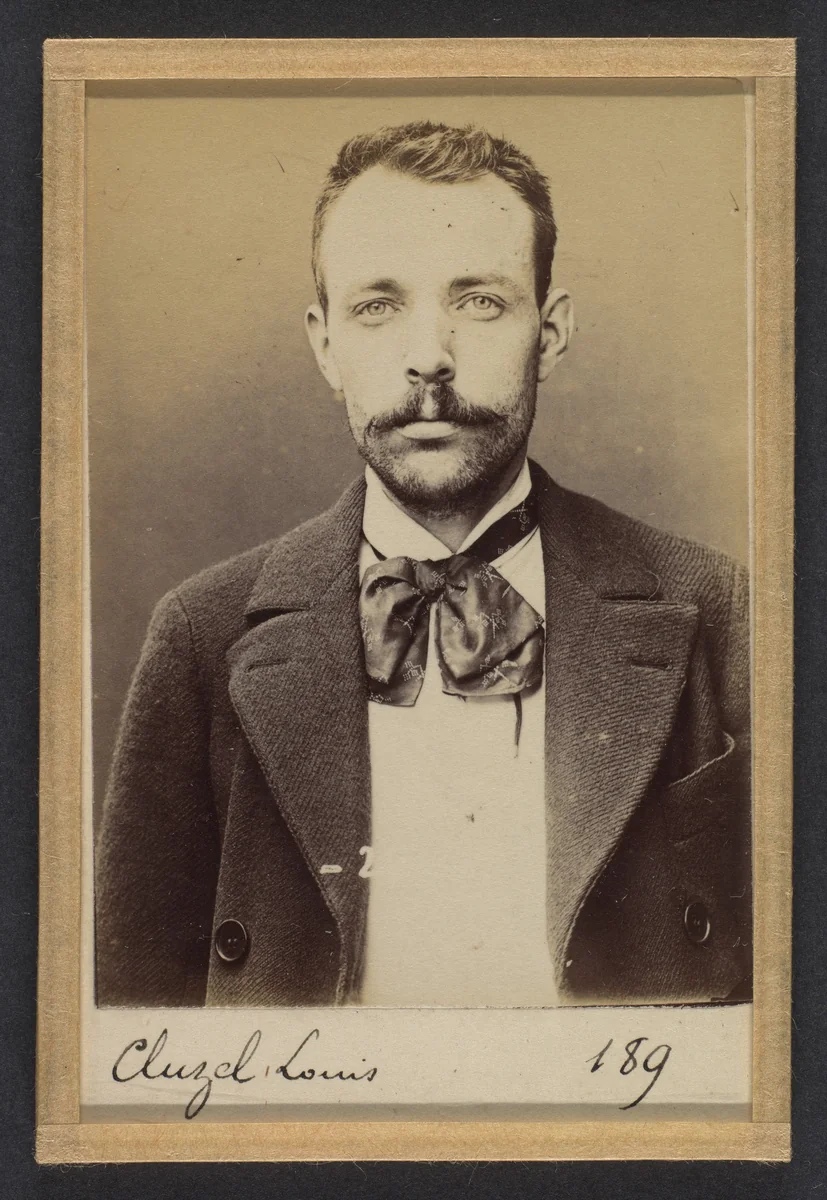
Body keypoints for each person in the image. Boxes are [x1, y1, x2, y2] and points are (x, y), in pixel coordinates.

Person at [95, 120, 751, 1009]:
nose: (429, 357)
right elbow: (124, 1028)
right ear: (325, 345)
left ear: (549, 333)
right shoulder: (200, 636)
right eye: (377, 306)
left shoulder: (717, 608)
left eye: (478, 300)